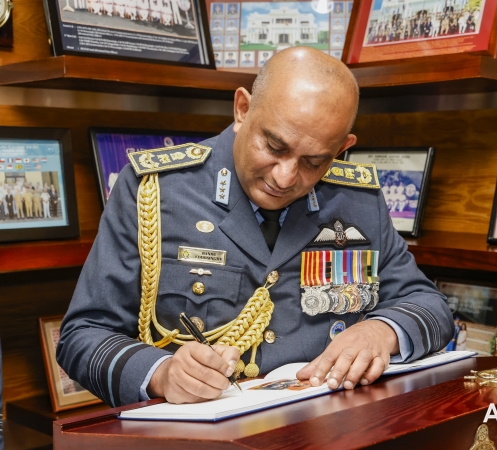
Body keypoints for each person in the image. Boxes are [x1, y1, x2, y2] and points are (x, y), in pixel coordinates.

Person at [57, 47, 453, 408]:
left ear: (342, 148)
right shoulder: (156, 190)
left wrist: (381, 331)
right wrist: (161, 373)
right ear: (242, 109)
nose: (285, 177)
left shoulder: (356, 200)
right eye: (275, 147)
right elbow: (82, 335)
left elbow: (430, 305)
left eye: (314, 161)